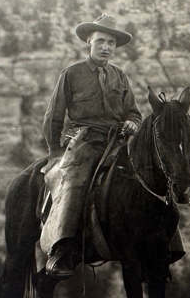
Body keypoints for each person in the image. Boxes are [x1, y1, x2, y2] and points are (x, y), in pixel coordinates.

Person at [40, 14, 142, 279]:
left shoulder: (120, 77)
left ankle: (161, 246)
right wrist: (55, 154)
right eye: (100, 41)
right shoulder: (71, 74)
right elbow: (53, 117)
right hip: (84, 143)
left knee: (149, 178)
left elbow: (133, 112)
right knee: (75, 183)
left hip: (117, 143)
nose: (106, 47)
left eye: (110, 42)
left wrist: (132, 123)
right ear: (89, 41)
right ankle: (61, 249)